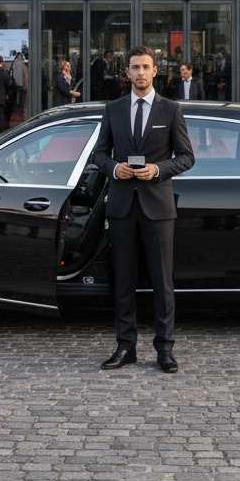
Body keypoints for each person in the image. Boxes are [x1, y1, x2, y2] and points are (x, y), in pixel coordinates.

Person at [92, 46, 194, 374]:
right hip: (122, 205)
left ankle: (165, 349)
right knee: (123, 281)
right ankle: (126, 347)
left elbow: (186, 156)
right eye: (134, 67)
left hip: (158, 206)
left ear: (154, 71)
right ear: (127, 72)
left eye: (145, 67)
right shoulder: (113, 109)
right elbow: (98, 153)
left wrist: (159, 170)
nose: (140, 73)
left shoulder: (171, 110)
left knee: (163, 282)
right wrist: (113, 168)